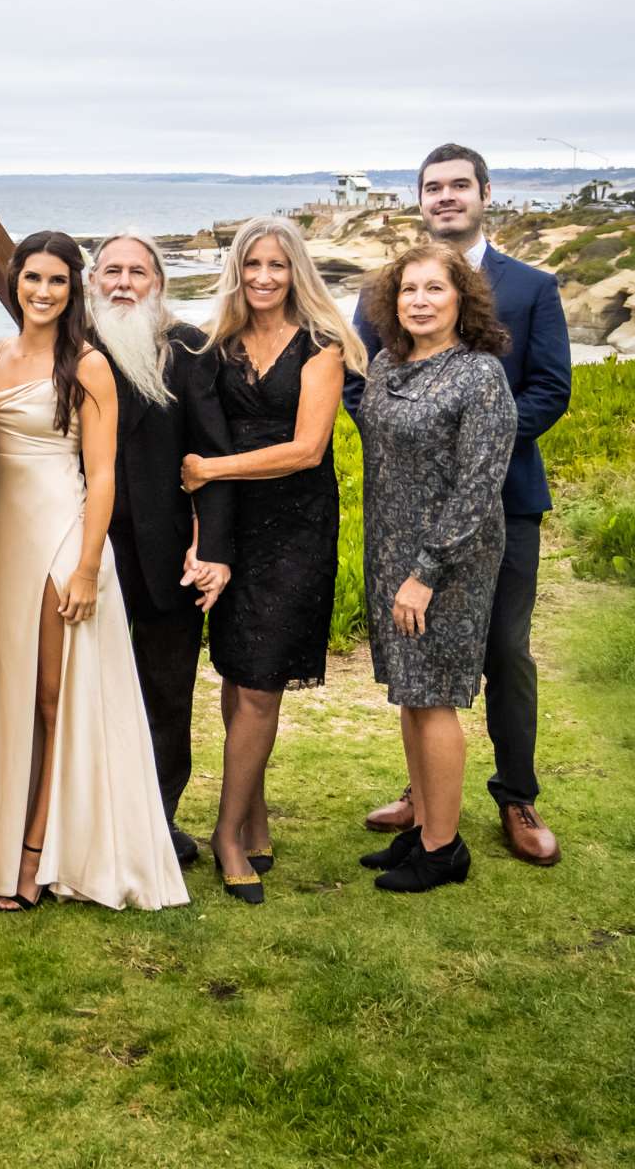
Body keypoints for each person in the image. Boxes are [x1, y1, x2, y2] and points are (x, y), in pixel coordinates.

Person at [348, 144, 572, 867]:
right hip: (404, 513)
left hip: (500, 505)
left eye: (458, 186)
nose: (446, 197)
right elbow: (363, 386)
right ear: (420, 197)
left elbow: (549, 388)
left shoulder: (530, 287)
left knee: (503, 652)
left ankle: (515, 796)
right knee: (421, 670)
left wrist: (474, 442)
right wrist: (417, 447)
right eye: (432, 187)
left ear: (484, 193)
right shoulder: (387, 295)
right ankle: (426, 803)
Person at [0, 231, 188, 913]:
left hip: (60, 539)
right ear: (15, 282)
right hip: (4, 538)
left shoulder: (89, 364)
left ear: (74, 291)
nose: (42, 292)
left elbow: (100, 477)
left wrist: (87, 567)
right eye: (32, 278)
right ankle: (1, 835)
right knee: (9, 693)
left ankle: (40, 847)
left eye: (57, 282)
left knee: (50, 696)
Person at [179, 216, 365, 905]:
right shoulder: (217, 345)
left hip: (296, 525)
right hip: (234, 528)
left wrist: (212, 469)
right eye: (252, 264)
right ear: (237, 269)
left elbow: (307, 449)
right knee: (235, 671)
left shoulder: (321, 345)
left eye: (277, 266)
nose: (263, 277)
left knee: (261, 683)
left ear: (297, 274)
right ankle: (253, 817)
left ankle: (227, 834)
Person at [352, 243, 519, 894]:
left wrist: (426, 572)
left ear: (461, 299)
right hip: (389, 548)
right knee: (409, 691)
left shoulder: (479, 376)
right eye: (408, 290)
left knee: (435, 696)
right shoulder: (386, 361)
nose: (419, 300)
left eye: (434, 289)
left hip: (447, 559)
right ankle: (422, 828)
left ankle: (444, 850)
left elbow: (478, 488)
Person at [89, 230, 234, 868]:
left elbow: (214, 455)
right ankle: (91, 821)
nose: (123, 283)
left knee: (167, 695)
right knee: (84, 692)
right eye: (111, 271)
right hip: (81, 554)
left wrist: (215, 547)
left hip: (166, 554)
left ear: (158, 283)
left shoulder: (190, 349)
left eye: (137, 273)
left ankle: (159, 820)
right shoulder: (69, 348)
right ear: (92, 281)